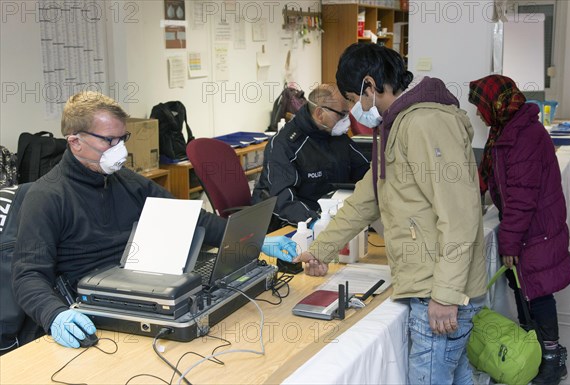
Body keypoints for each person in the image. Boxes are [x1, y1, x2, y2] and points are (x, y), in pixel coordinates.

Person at [11, 91, 295, 349]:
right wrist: (54, 315)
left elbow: (191, 220)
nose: (119, 149)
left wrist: (255, 240)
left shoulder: (126, 182)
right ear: (75, 142)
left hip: (146, 290)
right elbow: (28, 276)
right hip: (94, 311)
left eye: (123, 139)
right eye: (109, 141)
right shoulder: (46, 196)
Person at [294, 43, 487, 385]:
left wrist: (445, 294)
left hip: (438, 291)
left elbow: (459, 215)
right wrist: (320, 248)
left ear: (370, 86)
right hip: (427, 283)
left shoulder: (425, 124)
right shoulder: (394, 128)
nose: (354, 110)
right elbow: (365, 200)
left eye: (354, 99)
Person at [468, 75, 570, 385]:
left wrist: (510, 244)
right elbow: (490, 176)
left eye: (480, 106)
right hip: (529, 227)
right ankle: (539, 349)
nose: (477, 113)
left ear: (495, 104)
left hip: (535, 229)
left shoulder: (524, 136)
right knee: (523, 289)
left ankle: (552, 360)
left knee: (537, 292)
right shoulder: (505, 130)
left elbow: (522, 197)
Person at [252, 84, 370, 227]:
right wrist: (317, 223)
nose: (347, 120)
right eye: (342, 114)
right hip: (298, 224)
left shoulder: (336, 136)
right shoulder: (285, 144)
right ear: (320, 114)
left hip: (336, 217)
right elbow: (283, 201)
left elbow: (365, 173)